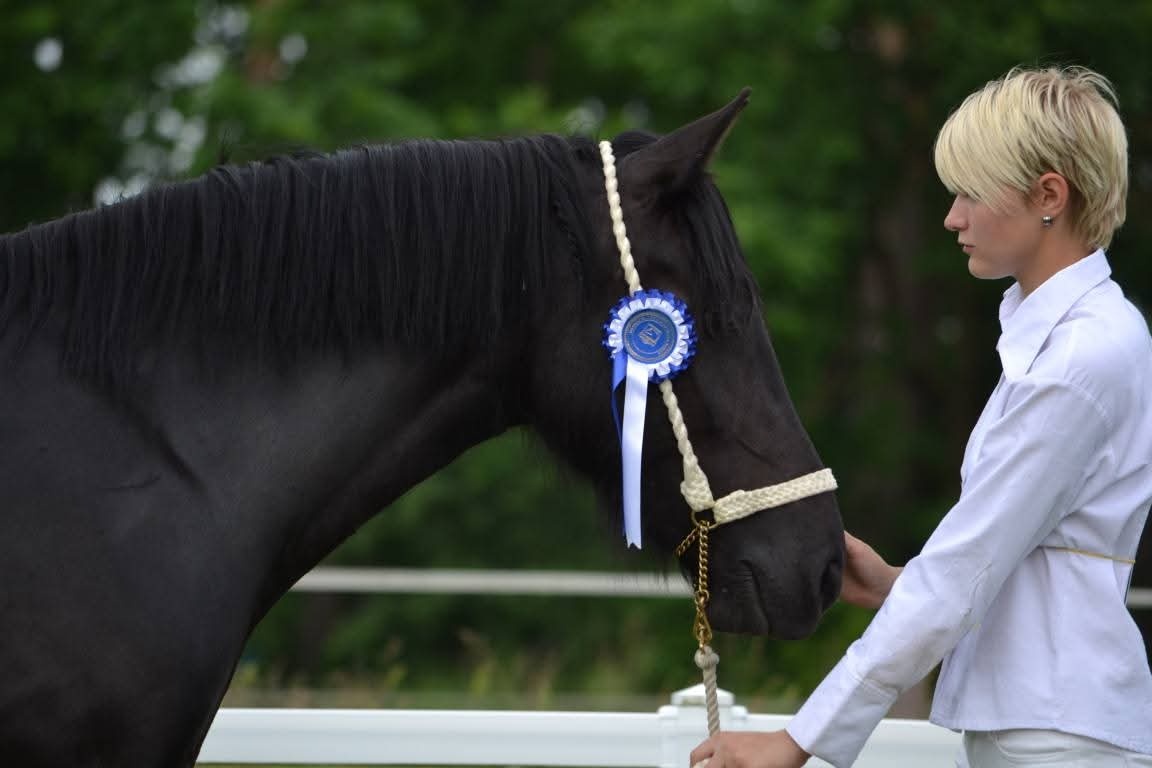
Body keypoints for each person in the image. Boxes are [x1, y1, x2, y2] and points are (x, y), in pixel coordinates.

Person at [691, 65, 1152, 767]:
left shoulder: (1080, 358)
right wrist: (894, 583)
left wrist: (799, 740)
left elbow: (966, 570)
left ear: (1049, 195)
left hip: (1058, 737)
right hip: (1046, 723)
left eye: (970, 191)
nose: (952, 217)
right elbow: (1016, 559)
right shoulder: (1072, 340)